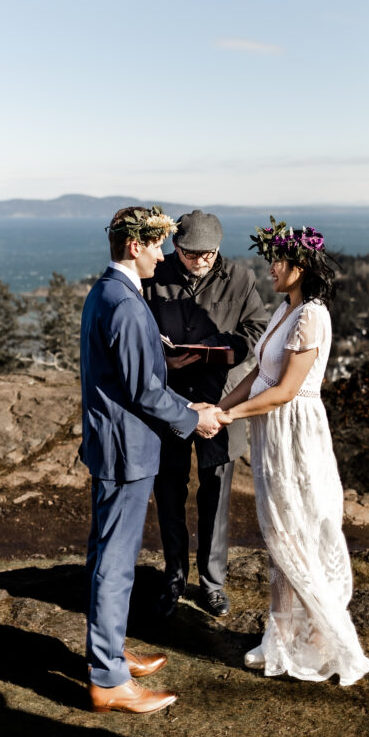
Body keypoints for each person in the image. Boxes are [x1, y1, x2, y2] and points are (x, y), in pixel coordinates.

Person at [216, 219, 369, 685]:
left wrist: (232, 417)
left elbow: (286, 390)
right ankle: (282, 641)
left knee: (295, 531)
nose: (271, 268)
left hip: (294, 434)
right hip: (272, 431)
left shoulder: (312, 315)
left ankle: (332, 643)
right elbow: (259, 375)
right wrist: (220, 405)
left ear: (301, 265)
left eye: (279, 260)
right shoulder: (286, 310)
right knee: (279, 534)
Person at [79, 205, 222, 714]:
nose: (163, 256)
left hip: (114, 442)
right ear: (134, 245)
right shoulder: (122, 300)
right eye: (157, 245)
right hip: (126, 448)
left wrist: (180, 388)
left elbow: (132, 374)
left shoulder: (107, 291)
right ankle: (110, 681)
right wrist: (193, 418)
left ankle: (110, 652)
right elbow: (141, 390)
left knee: (106, 556)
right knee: (115, 565)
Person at [143, 210, 267, 618]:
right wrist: (164, 357)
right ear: (176, 248)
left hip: (221, 402)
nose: (202, 261)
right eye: (193, 254)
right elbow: (138, 334)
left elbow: (256, 329)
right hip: (170, 403)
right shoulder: (154, 278)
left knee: (216, 494)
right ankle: (173, 578)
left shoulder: (242, 277)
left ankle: (213, 583)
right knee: (169, 492)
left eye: (209, 254)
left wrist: (215, 348)